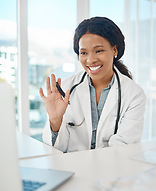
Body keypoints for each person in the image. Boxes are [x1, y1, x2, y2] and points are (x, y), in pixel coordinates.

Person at [39, 16, 146, 153]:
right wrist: (55, 120)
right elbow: (55, 150)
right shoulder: (66, 89)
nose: (90, 60)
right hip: (72, 170)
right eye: (83, 53)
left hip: (113, 170)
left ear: (114, 50)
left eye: (98, 51)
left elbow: (124, 148)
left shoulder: (133, 94)